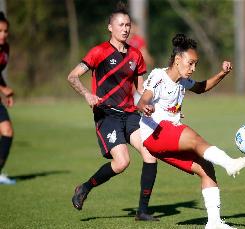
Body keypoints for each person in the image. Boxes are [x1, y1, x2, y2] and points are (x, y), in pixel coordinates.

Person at [137, 34, 245, 229]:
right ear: (178, 60)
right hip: (154, 135)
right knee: (193, 138)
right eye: (191, 63)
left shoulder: (183, 82)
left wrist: (222, 73)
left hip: (166, 136)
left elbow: (202, 87)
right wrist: (145, 106)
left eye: (195, 64)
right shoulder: (159, 76)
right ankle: (230, 164)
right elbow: (143, 99)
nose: (193, 68)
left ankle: (214, 223)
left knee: (206, 168)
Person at [67, 2, 158, 221]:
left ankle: (143, 211)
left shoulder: (136, 55)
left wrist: (148, 103)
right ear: (110, 27)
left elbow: (141, 88)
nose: (125, 29)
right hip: (107, 115)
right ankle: (85, 188)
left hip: (130, 115)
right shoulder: (99, 52)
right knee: (122, 162)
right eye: (120, 25)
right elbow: (72, 76)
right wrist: (87, 94)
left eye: (128, 25)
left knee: (150, 154)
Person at [0, 12, 16, 185]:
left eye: (5, 31)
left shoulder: (5, 49)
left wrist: (7, 92)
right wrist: (3, 89)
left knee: (7, 132)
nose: (3, 34)